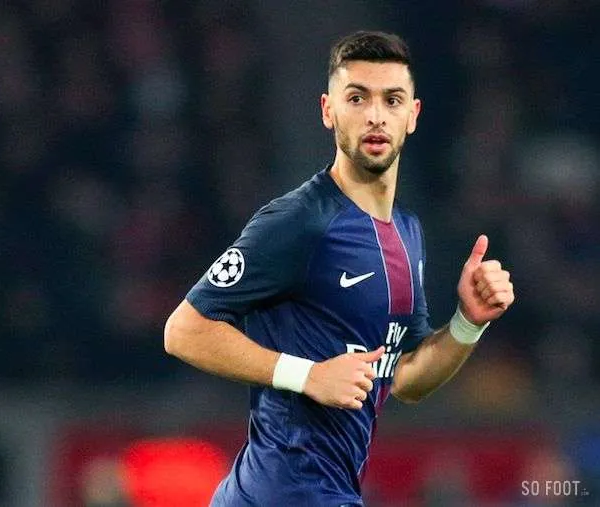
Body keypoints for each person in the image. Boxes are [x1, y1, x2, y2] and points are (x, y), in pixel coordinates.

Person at [164, 30, 515, 507]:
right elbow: (184, 330)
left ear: (412, 116)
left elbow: (406, 378)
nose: (375, 115)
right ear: (328, 110)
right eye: (357, 98)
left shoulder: (408, 232)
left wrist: (467, 322)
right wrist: (306, 375)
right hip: (281, 494)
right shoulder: (299, 220)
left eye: (392, 100)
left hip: (327, 492)